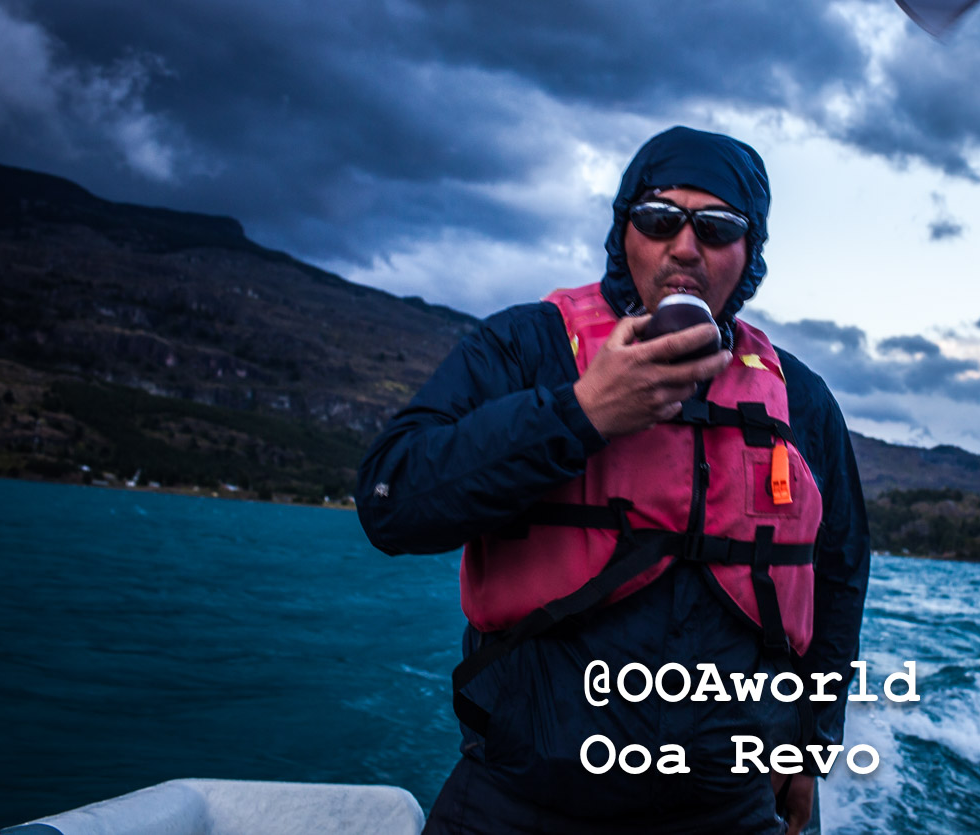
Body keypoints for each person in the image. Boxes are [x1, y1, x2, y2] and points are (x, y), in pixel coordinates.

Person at [357, 126, 870, 835]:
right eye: (660, 219)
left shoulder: (801, 400)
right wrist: (580, 413)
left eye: (717, 227)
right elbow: (391, 499)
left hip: (727, 810)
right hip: (520, 800)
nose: (684, 246)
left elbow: (839, 573)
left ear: (749, 254)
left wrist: (811, 743)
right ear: (624, 229)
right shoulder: (527, 347)